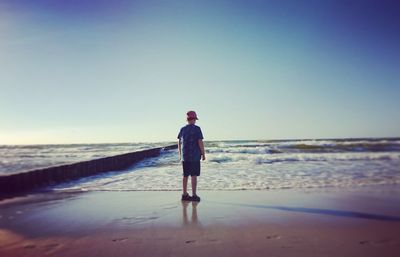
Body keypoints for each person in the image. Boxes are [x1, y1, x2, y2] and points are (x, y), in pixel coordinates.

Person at [177, 111, 205, 202]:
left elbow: (179, 142)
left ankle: (184, 194)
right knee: (194, 175)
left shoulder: (182, 129)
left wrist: (180, 154)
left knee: (185, 175)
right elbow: (200, 142)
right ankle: (194, 195)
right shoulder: (197, 129)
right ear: (194, 119)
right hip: (195, 156)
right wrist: (203, 153)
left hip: (185, 156)